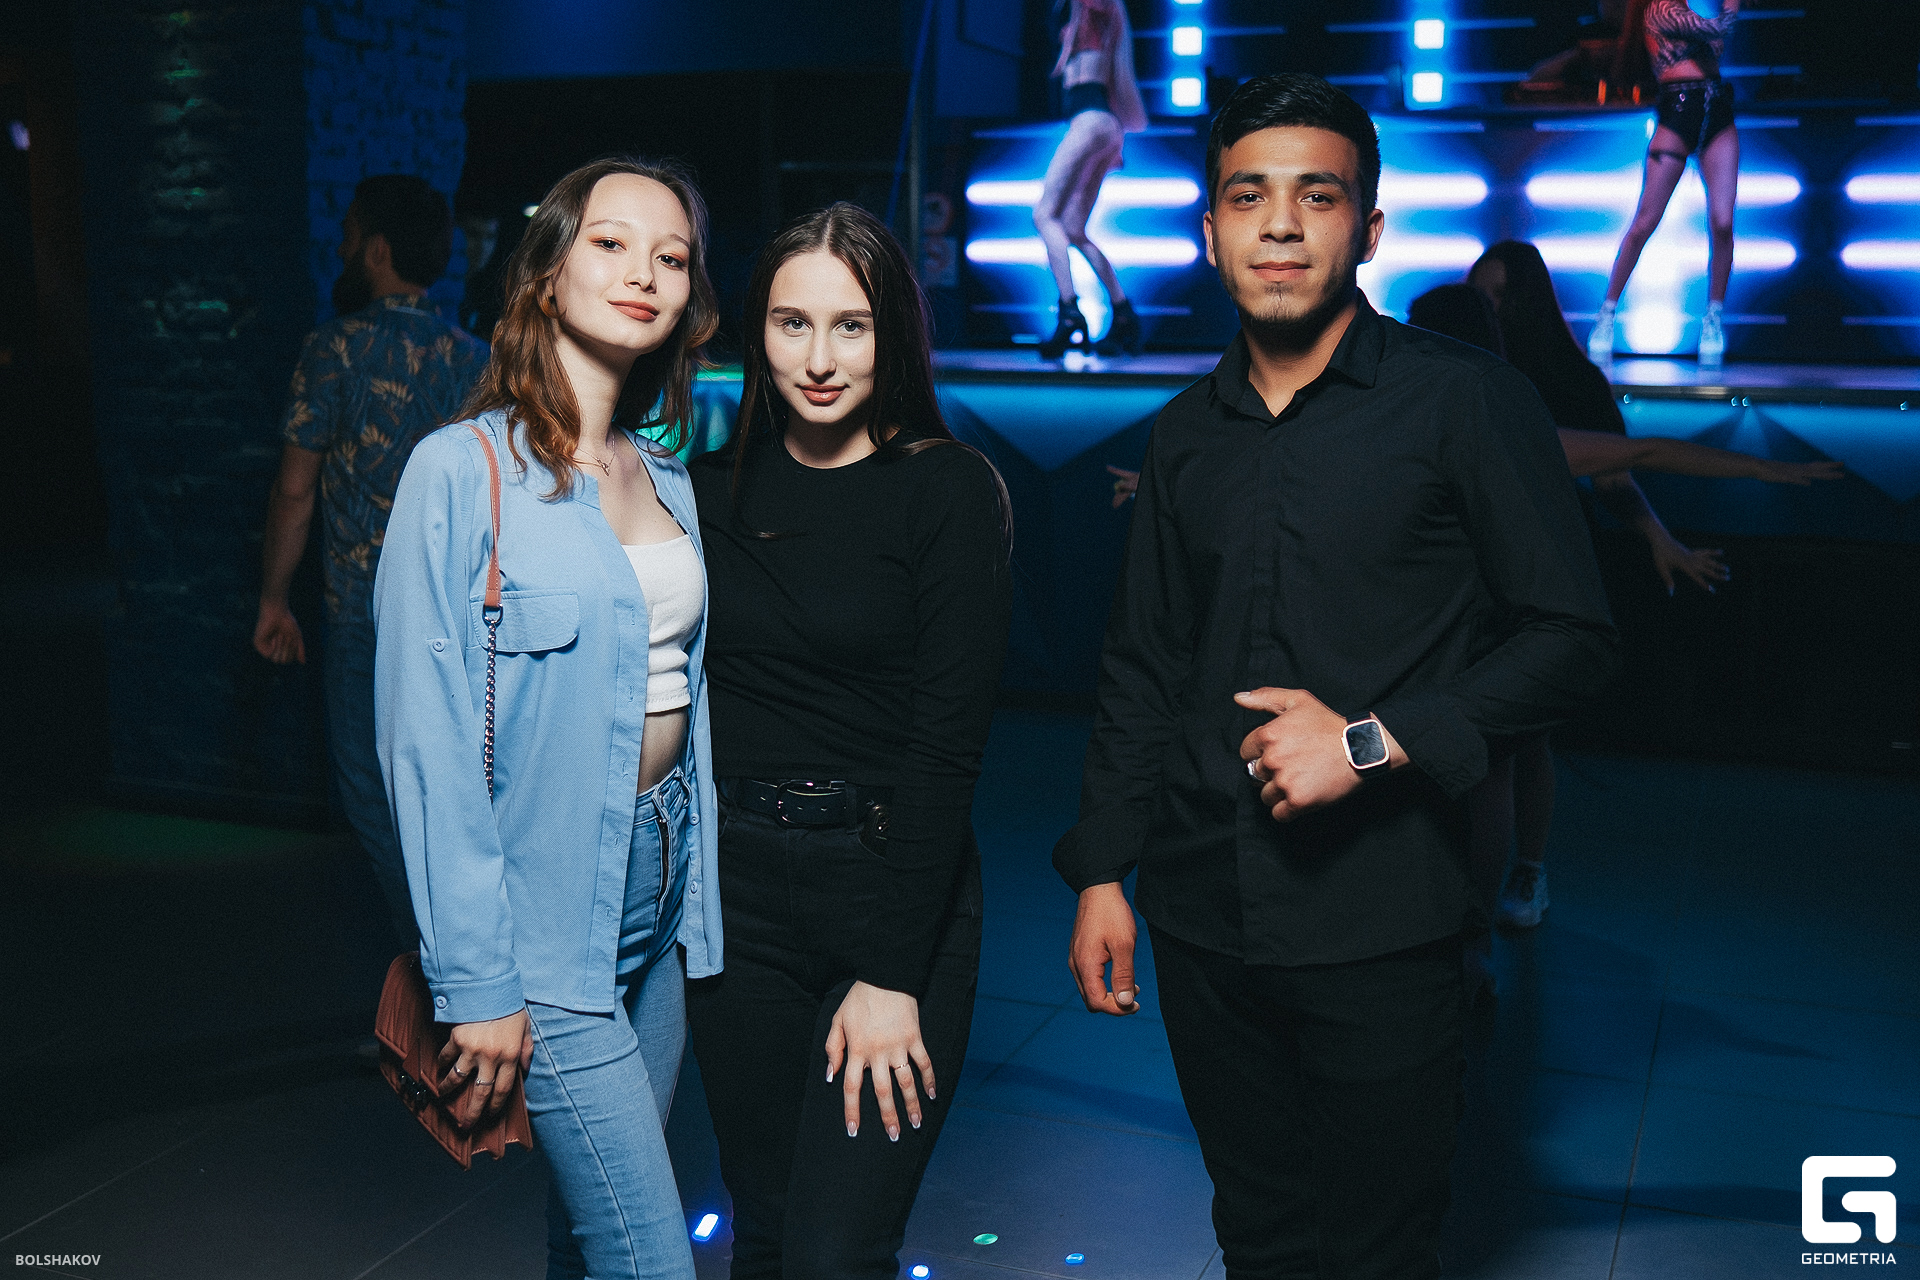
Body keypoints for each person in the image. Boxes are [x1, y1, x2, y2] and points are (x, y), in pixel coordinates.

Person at [1053, 74, 1618, 1280]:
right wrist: (1103, 869)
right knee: (1257, 1234)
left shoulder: (1466, 402)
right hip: (1203, 916)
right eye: (1247, 196)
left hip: (1386, 922)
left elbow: (1574, 637)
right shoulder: (1182, 432)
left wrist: (1373, 740)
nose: (1280, 224)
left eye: (1318, 195)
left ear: (1369, 227)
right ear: (1210, 229)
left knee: (1376, 1248)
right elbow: (1142, 665)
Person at [373, 156, 722, 1280]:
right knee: (650, 1256)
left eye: (671, 256)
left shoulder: (665, 474)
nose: (644, 273)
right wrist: (478, 982)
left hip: (662, 893)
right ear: (545, 271)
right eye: (611, 243)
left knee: (589, 1232)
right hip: (545, 915)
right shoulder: (459, 471)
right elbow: (424, 743)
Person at [687, 202, 1011, 1280]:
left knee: (835, 1254)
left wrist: (891, 970)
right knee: (766, 1231)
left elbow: (948, 746)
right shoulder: (705, 488)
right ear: (757, 331)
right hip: (736, 897)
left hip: (887, 879)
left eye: (851, 326)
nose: (819, 359)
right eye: (792, 324)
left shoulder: (947, 488)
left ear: (894, 336)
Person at [1410, 258, 1837, 943]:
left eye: (1498, 292)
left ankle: (1492, 913)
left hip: (1502, 619)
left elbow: (1632, 461)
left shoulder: (1518, 408)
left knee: (1502, 762)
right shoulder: (1447, 418)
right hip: (1456, 624)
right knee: (1476, 769)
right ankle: (1464, 936)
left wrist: (1744, 479)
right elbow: (1639, 456)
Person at [253, 175, 486, 949]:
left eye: (351, 237)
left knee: (369, 793)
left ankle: (444, 965)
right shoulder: (478, 361)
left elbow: (295, 491)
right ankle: (453, 961)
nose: (344, 251)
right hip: (458, 616)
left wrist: (273, 600)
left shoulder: (334, 350)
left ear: (378, 250)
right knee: (453, 794)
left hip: (364, 614)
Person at [1587, 0, 1742, 365]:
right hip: (1679, 107)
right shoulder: (1660, 8)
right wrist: (1732, 7)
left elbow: (1714, 43)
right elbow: (1717, 30)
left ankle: (1713, 319)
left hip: (1717, 109)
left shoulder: (1691, 11)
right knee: (1645, 221)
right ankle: (1606, 314)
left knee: (1723, 223)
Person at [1034, 0, 1148, 360]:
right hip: (1107, 127)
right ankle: (1124, 313)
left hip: (1090, 122)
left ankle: (1069, 312)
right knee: (1073, 228)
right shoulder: (1096, 39)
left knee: (1044, 215)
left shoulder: (1090, 22)